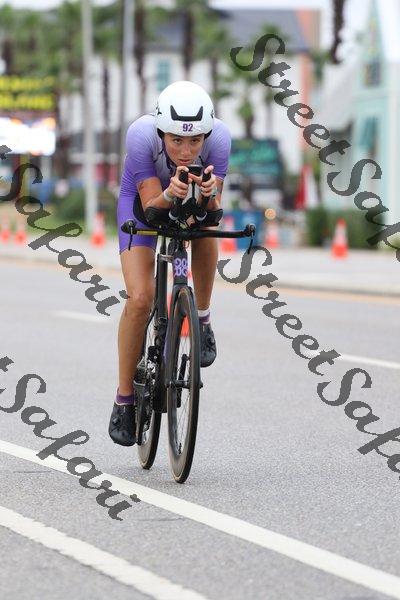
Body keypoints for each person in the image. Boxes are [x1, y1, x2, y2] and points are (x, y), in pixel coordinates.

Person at [109, 80, 231, 446]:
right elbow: (150, 207)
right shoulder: (140, 135)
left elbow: (213, 212)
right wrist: (168, 193)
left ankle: (202, 318)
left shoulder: (221, 138)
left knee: (207, 231)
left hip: (187, 202)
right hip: (142, 205)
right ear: (161, 132)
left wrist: (208, 196)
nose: (186, 150)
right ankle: (124, 399)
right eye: (176, 140)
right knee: (140, 299)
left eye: (195, 141)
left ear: (207, 135)